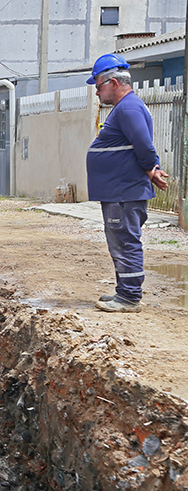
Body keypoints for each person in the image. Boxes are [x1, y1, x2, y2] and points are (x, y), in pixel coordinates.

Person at [85, 53, 169, 312]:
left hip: (123, 190)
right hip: (119, 189)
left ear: (112, 82)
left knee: (125, 242)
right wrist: (149, 169)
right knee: (119, 241)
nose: (97, 93)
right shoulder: (125, 108)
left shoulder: (129, 108)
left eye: (98, 86)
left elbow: (143, 145)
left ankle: (130, 297)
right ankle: (124, 292)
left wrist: (151, 168)